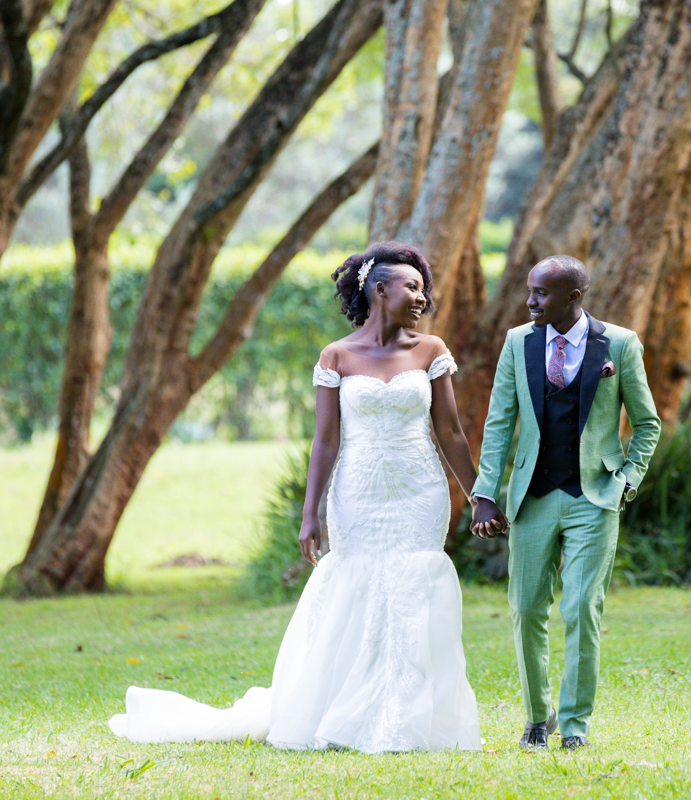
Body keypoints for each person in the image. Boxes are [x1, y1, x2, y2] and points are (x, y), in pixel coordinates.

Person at [109, 241, 481, 753]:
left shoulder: (431, 351)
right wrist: (310, 515)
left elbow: (452, 433)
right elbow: (326, 440)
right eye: (412, 287)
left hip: (419, 491)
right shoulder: (337, 356)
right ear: (379, 290)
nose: (423, 297)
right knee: (357, 583)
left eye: (422, 288)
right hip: (357, 492)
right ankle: (345, 711)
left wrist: (480, 495)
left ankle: (404, 715)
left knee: (414, 586)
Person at [470, 254, 660, 751]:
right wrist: (486, 494)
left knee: (581, 608)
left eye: (542, 293)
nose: (530, 300)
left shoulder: (619, 344)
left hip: (592, 497)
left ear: (574, 297)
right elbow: (498, 424)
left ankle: (575, 726)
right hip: (531, 497)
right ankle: (538, 716)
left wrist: (625, 481)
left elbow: (647, 424)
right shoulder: (517, 343)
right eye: (530, 291)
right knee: (526, 608)